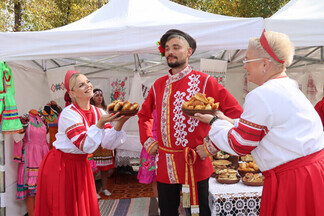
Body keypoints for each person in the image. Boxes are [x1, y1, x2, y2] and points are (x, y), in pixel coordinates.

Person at [193, 30, 324, 216]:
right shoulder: (287, 85)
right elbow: (270, 126)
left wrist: (214, 122)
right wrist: (229, 120)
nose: (244, 66)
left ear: (265, 64)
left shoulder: (262, 94)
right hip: (310, 173)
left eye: (247, 60)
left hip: (294, 180)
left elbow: (240, 144)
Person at [137, 29, 243, 216]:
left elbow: (235, 116)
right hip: (166, 164)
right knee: (168, 212)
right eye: (167, 48)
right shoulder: (158, 85)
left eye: (176, 47)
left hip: (195, 163)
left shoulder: (205, 82)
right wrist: (148, 141)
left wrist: (212, 146)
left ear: (189, 52)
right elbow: (144, 115)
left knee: (198, 213)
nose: (170, 52)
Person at [35, 70, 131, 216]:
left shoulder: (98, 112)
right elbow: (85, 145)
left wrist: (120, 124)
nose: (88, 86)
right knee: (65, 208)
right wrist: (99, 125)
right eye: (81, 85)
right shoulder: (69, 114)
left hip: (81, 165)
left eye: (88, 82)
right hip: (61, 166)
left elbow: (108, 144)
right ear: (72, 93)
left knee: (83, 208)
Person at [90, 88, 115, 198]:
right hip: (96, 141)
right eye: (97, 95)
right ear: (93, 98)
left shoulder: (106, 109)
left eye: (101, 95)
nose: (99, 97)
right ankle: (94, 191)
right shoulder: (91, 110)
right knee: (95, 169)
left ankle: (104, 188)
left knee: (105, 168)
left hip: (106, 141)